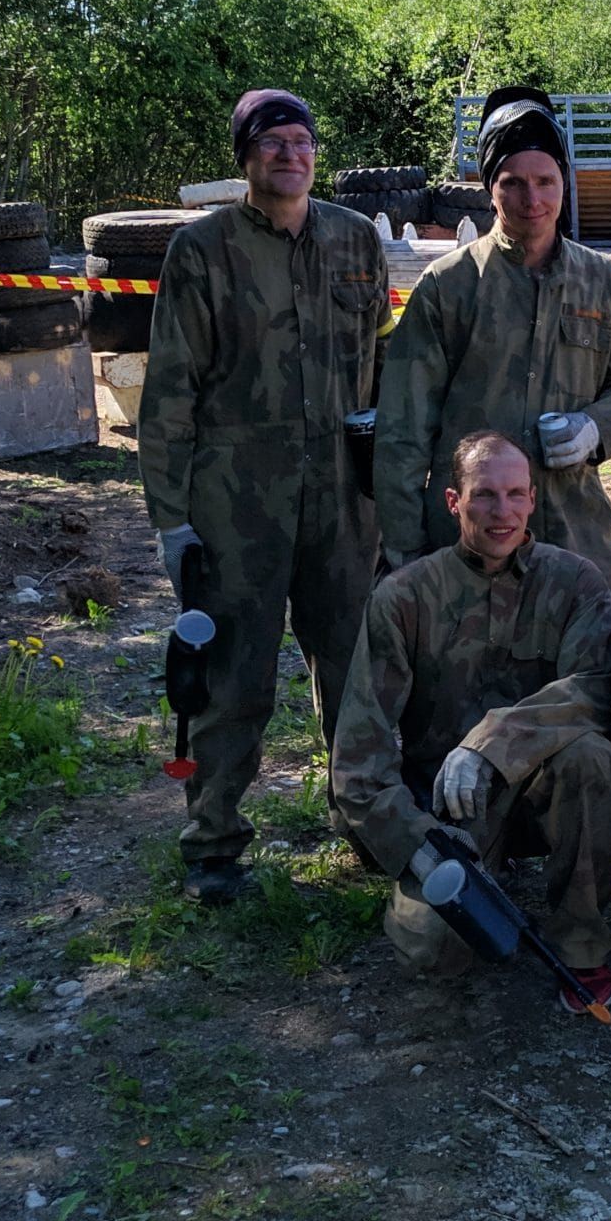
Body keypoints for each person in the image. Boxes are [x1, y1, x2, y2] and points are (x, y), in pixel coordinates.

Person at [140, 88, 388, 904]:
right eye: (273, 143)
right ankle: (213, 842)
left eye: (302, 141)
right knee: (234, 674)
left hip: (343, 496)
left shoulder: (355, 239)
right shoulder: (202, 250)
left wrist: (391, 475)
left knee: (354, 665)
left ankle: (364, 816)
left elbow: (384, 364)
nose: (291, 155)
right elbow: (170, 390)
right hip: (237, 500)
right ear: (245, 158)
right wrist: (171, 519)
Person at [328, 432, 611, 1004]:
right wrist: (416, 842)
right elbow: (359, 754)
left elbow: (595, 690)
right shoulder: (404, 597)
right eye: (485, 495)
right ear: (453, 502)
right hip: (449, 810)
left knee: (591, 756)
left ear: (533, 499)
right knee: (433, 950)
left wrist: (492, 743)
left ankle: (581, 940)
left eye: (515, 494)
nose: (502, 512)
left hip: (543, 791)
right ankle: (470, 874)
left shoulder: (576, 582)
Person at [375, 84, 611, 594]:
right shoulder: (448, 286)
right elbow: (402, 430)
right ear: (489, 187)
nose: (533, 199)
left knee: (590, 645)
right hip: (466, 543)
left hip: (573, 533)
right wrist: (405, 551)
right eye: (513, 183)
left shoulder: (603, 282)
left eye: (546, 181)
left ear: (565, 182)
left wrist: (595, 428)